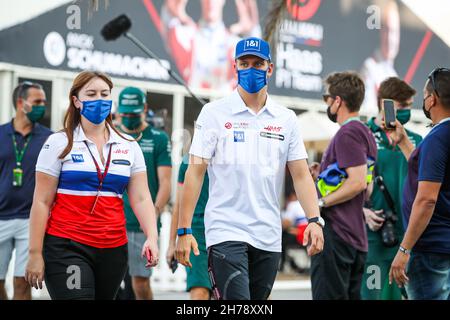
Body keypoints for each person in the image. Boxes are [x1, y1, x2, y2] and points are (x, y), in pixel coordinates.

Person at [175, 37, 324, 300]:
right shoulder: (213, 113)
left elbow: (301, 175)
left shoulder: (286, 118)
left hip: (268, 235)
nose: (251, 69)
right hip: (225, 230)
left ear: (270, 68)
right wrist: (184, 229)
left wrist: (314, 220)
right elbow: (195, 172)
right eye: (244, 63)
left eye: (258, 64)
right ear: (235, 67)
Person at [24, 71, 159, 300]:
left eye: (104, 94)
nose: (99, 99)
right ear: (76, 101)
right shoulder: (58, 143)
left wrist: (152, 237)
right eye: (91, 94)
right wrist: (35, 252)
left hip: (113, 248)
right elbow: (41, 201)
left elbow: (141, 198)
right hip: (67, 245)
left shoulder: (128, 145)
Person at [311, 72, 378, 300]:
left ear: (337, 100)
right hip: (355, 237)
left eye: (326, 98)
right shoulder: (365, 133)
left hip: (337, 234)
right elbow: (366, 186)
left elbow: (358, 182)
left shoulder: (347, 133)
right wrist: (322, 175)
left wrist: (320, 202)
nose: (326, 103)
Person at [389, 67, 450, 300]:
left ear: (432, 99)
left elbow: (427, 199)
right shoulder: (439, 137)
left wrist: (404, 249)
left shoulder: (437, 137)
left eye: (425, 96)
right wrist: (405, 143)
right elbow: (429, 174)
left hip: (430, 248)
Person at [361, 77, 422, 300]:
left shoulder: (415, 140)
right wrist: (362, 211)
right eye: (402, 105)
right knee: (372, 295)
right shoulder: (362, 135)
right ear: (385, 103)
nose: (407, 110)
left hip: (407, 239)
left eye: (409, 104)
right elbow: (341, 184)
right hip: (374, 237)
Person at [116, 87, 172, 300]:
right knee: (108, 282)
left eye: (134, 113)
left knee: (140, 283)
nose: (129, 118)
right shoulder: (111, 134)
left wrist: (153, 213)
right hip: (112, 222)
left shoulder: (158, 138)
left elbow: (166, 183)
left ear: (145, 109)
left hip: (141, 225)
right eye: (125, 114)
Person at [0, 82, 52, 300]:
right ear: (21, 103)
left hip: (31, 220)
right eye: (37, 102)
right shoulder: (1, 134)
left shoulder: (50, 138)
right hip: (1, 218)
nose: (42, 106)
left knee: (23, 283)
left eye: (44, 102)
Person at [159, 0, 261, 91]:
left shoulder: (234, 43)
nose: (211, 2)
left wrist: (251, 31)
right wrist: (173, 10)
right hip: (192, 105)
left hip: (224, 108)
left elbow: (256, 67)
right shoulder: (186, 35)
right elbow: (169, 21)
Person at [167, 154, 211, 300]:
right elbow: (179, 205)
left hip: (229, 228)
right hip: (197, 231)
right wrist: (172, 244)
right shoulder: (187, 161)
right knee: (200, 291)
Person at [360, 0, 400, 115]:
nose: (390, 39)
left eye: (393, 32)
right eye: (386, 30)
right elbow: (367, 114)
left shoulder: (393, 74)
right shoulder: (370, 67)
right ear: (380, 32)